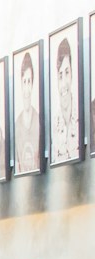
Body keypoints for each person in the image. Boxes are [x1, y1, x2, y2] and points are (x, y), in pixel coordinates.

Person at [52, 36, 78, 164]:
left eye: (67, 72)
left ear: (72, 73)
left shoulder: (83, 118)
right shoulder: (53, 125)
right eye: (60, 75)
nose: (63, 83)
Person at [15, 51, 41, 172]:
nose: (26, 88)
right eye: (24, 81)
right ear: (20, 84)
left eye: (29, 81)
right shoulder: (16, 126)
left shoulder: (39, 120)